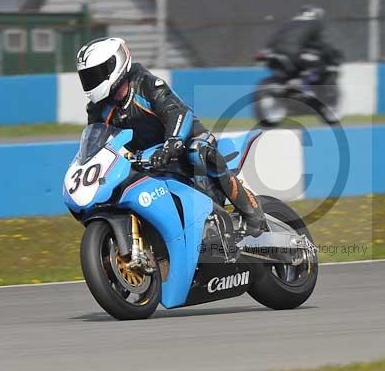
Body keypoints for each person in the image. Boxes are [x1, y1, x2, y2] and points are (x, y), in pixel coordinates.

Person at [76, 37, 266, 236]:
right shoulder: (98, 109)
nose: (91, 82)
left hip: (187, 139)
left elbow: (177, 112)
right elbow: (97, 142)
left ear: (115, 64)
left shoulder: (147, 85)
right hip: (145, 157)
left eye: (95, 75)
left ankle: (251, 212)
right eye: (87, 77)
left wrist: (172, 143)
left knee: (198, 153)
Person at [265, 5, 343, 122]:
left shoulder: (289, 23)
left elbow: (274, 39)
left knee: (306, 61)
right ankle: (306, 87)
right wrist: (334, 55)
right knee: (318, 64)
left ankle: (290, 87)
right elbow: (322, 45)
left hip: (274, 53)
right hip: (295, 55)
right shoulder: (315, 24)